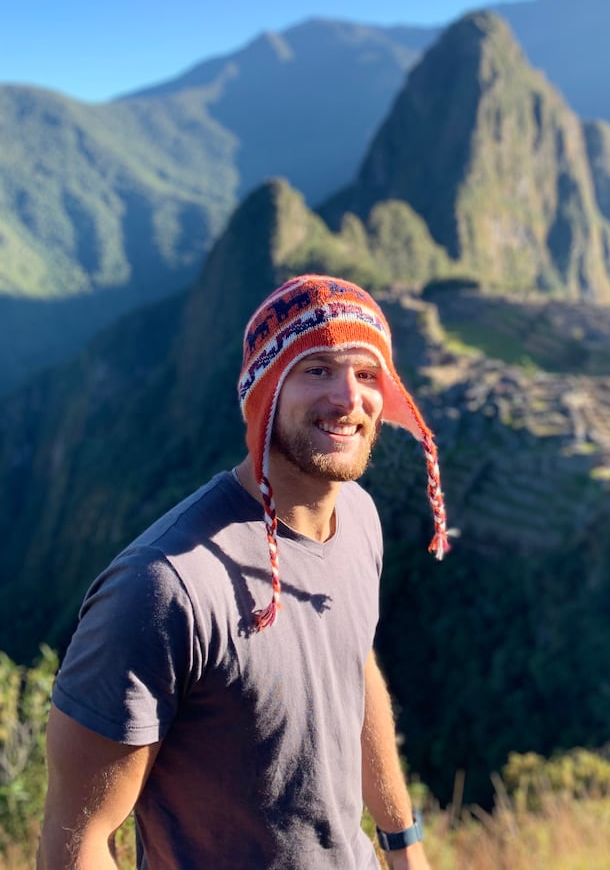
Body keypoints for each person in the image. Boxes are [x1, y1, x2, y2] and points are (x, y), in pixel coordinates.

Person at [38, 274, 450, 870]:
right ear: (266, 390)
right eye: (317, 370)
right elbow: (75, 842)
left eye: (366, 374)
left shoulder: (358, 517)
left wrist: (402, 845)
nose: (348, 398)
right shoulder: (164, 587)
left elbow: (352, 666)